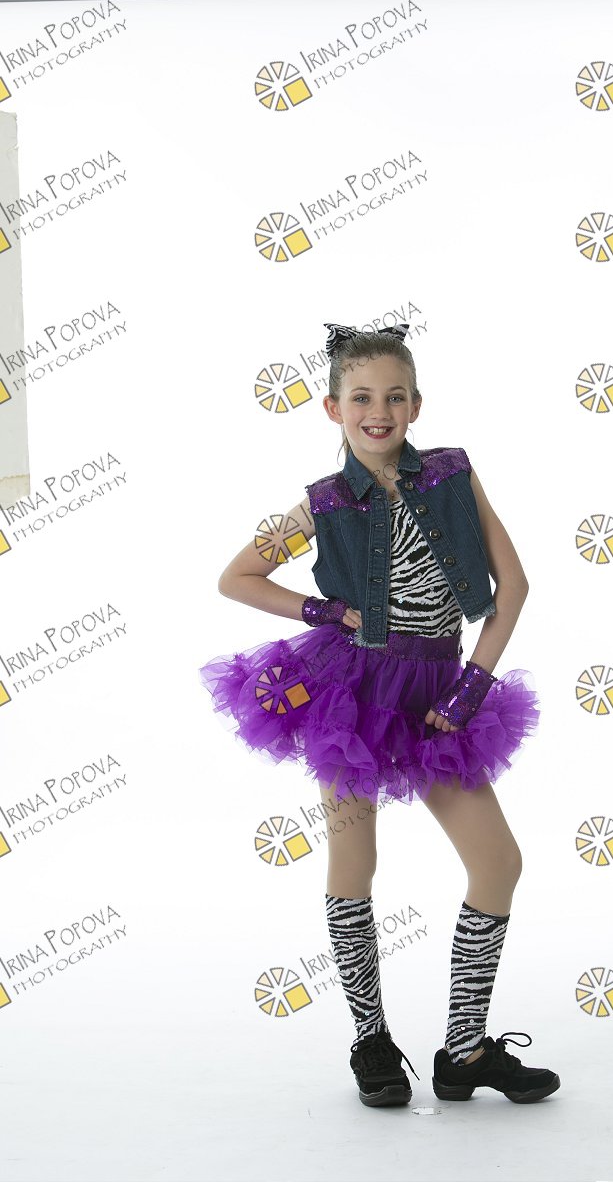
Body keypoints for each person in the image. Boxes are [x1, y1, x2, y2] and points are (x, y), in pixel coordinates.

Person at [198, 320, 561, 1108]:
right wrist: (324, 611)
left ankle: (464, 1049)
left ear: (416, 405)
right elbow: (237, 577)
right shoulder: (320, 504)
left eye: (395, 397)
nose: (379, 411)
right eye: (361, 398)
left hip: (438, 693)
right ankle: (370, 1039)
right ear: (334, 408)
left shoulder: (454, 474)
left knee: (497, 862)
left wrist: (471, 688)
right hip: (350, 695)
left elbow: (514, 587)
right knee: (353, 861)